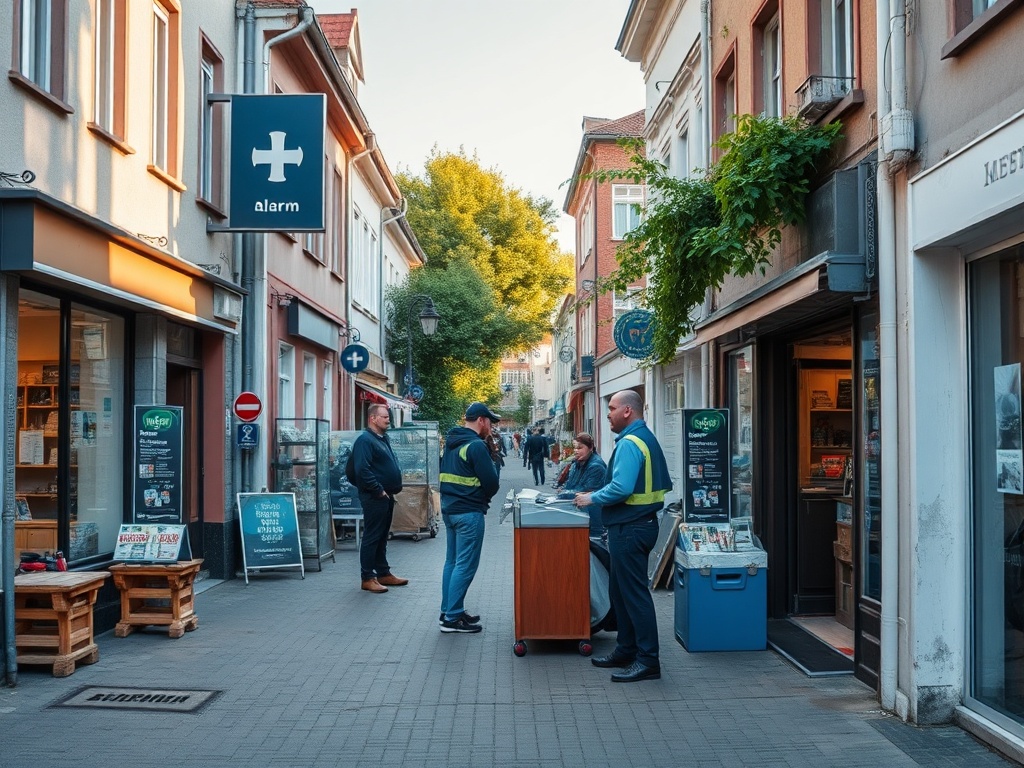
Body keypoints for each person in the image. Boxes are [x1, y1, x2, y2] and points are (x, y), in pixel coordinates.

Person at [575, 390, 672, 682]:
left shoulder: (630, 443)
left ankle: (647, 660)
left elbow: (622, 487)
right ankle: (626, 650)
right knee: (620, 592)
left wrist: (590, 498)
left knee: (633, 595)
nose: (608, 413)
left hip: (630, 528)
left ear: (628, 411)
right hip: (636, 525)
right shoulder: (643, 438)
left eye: (612, 408)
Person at [438, 402, 501, 633]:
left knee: (452, 562)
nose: (491, 428)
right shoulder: (475, 446)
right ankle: (452, 618)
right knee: (465, 565)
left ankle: (449, 610)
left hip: (450, 510)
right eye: (490, 423)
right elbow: (492, 484)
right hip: (469, 513)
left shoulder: (452, 443)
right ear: (481, 420)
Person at [350, 404, 407, 594]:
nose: (388, 419)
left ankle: (383, 572)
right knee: (372, 536)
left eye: (388, 416)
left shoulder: (382, 439)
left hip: (387, 496)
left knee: (382, 536)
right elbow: (362, 470)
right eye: (384, 417)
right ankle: (367, 577)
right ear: (373, 418)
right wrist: (378, 490)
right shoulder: (365, 441)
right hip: (375, 497)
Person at [556, 433, 607, 539]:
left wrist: (563, 493)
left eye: (580, 448)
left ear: (590, 448)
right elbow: (570, 484)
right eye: (575, 448)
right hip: (578, 514)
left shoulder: (596, 466)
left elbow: (585, 492)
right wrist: (564, 489)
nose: (576, 451)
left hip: (593, 518)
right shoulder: (577, 463)